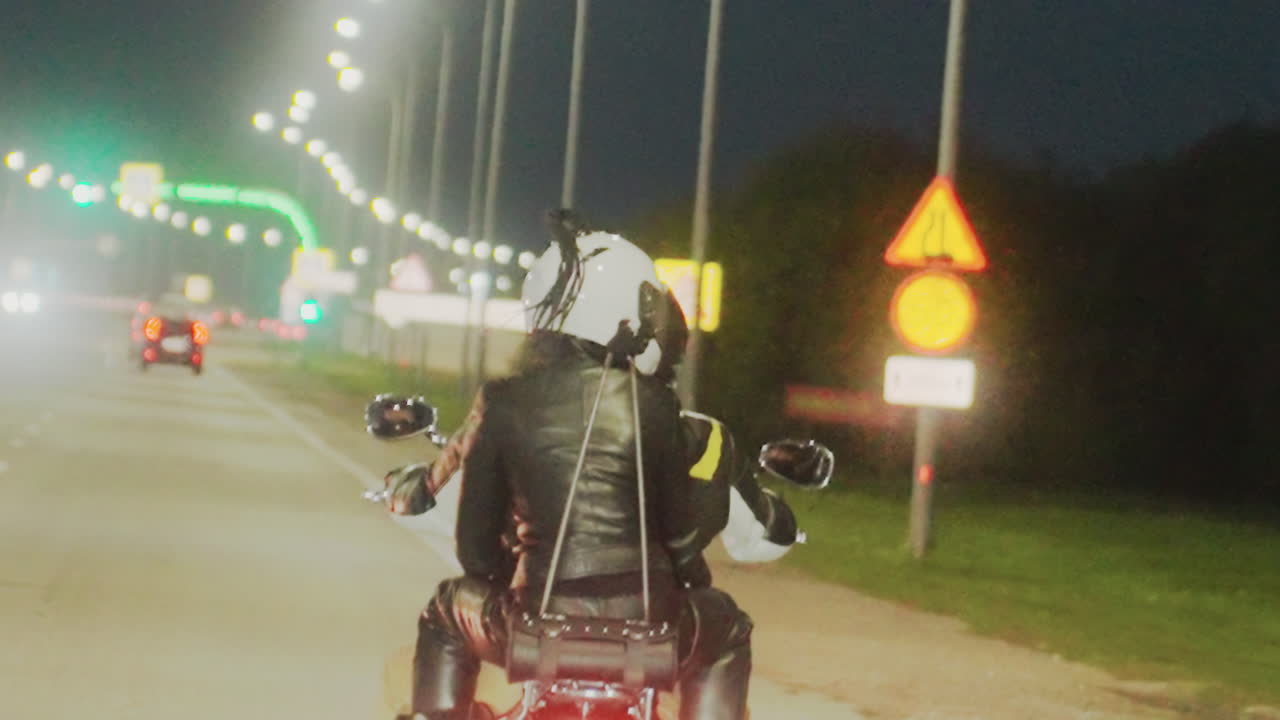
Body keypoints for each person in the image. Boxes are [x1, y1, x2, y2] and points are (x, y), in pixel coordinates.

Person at [385, 210, 802, 720]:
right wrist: (690, 584)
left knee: (446, 609)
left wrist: (508, 579)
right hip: (652, 632)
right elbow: (675, 533)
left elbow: (474, 548)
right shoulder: (657, 407)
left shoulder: (502, 401)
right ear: (641, 314)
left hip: (531, 628)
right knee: (728, 627)